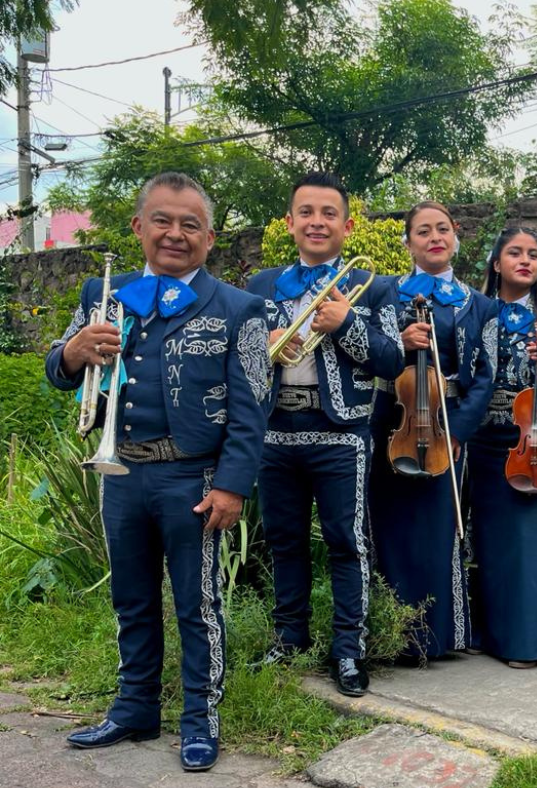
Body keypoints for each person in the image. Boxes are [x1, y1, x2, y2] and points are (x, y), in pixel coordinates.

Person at [46, 172, 271, 772]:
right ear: (138, 227)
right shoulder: (105, 294)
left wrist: (232, 485)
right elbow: (59, 369)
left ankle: (201, 718)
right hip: (121, 473)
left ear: (210, 237)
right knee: (132, 599)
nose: (176, 234)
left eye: (190, 224)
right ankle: (135, 708)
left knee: (198, 605)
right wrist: (73, 351)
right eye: (163, 221)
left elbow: (253, 408)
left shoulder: (241, 308)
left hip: (194, 480)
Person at [246, 171, 403, 697]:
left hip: (341, 432)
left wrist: (348, 323)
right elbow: (239, 359)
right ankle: (289, 638)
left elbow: (392, 358)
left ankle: (349, 651)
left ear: (347, 225)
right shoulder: (261, 285)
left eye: (328, 214)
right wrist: (262, 341)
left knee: (346, 542)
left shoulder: (375, 287)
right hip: (275, 430)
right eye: (306, 213)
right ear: (289, 222)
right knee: (284, 540)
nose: (317, 222)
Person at [369, 201, 497, 663]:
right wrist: (398, 343)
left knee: (442, 529)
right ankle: (389, 635)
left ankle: (439, 636)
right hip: (394, 423)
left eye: (442, 229)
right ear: (408, 242)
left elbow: (486, 375)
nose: (434, 237)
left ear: (456, 235)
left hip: (447, 426)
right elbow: (366, 352)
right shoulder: (384, 293)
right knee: (389, 528)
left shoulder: (479, 304)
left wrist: (459, 430)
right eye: (423, 231)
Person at [464, 227, 537, 668]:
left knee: (527, 544)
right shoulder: (477, 314)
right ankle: (484, 633)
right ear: (496, 264)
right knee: (482, 540)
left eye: (533, 254)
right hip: (480, 437)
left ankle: (525, 642)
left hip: (528, 440)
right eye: (514, 253)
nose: (525, 260)